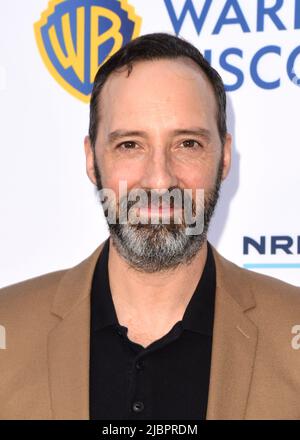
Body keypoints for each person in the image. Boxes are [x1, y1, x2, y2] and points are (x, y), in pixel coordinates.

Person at [0, 33, 299, 420]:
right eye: (130, 145)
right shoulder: (8, 329)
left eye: (188, 144)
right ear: (92, 159)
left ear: (224, 158)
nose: (159, 181)